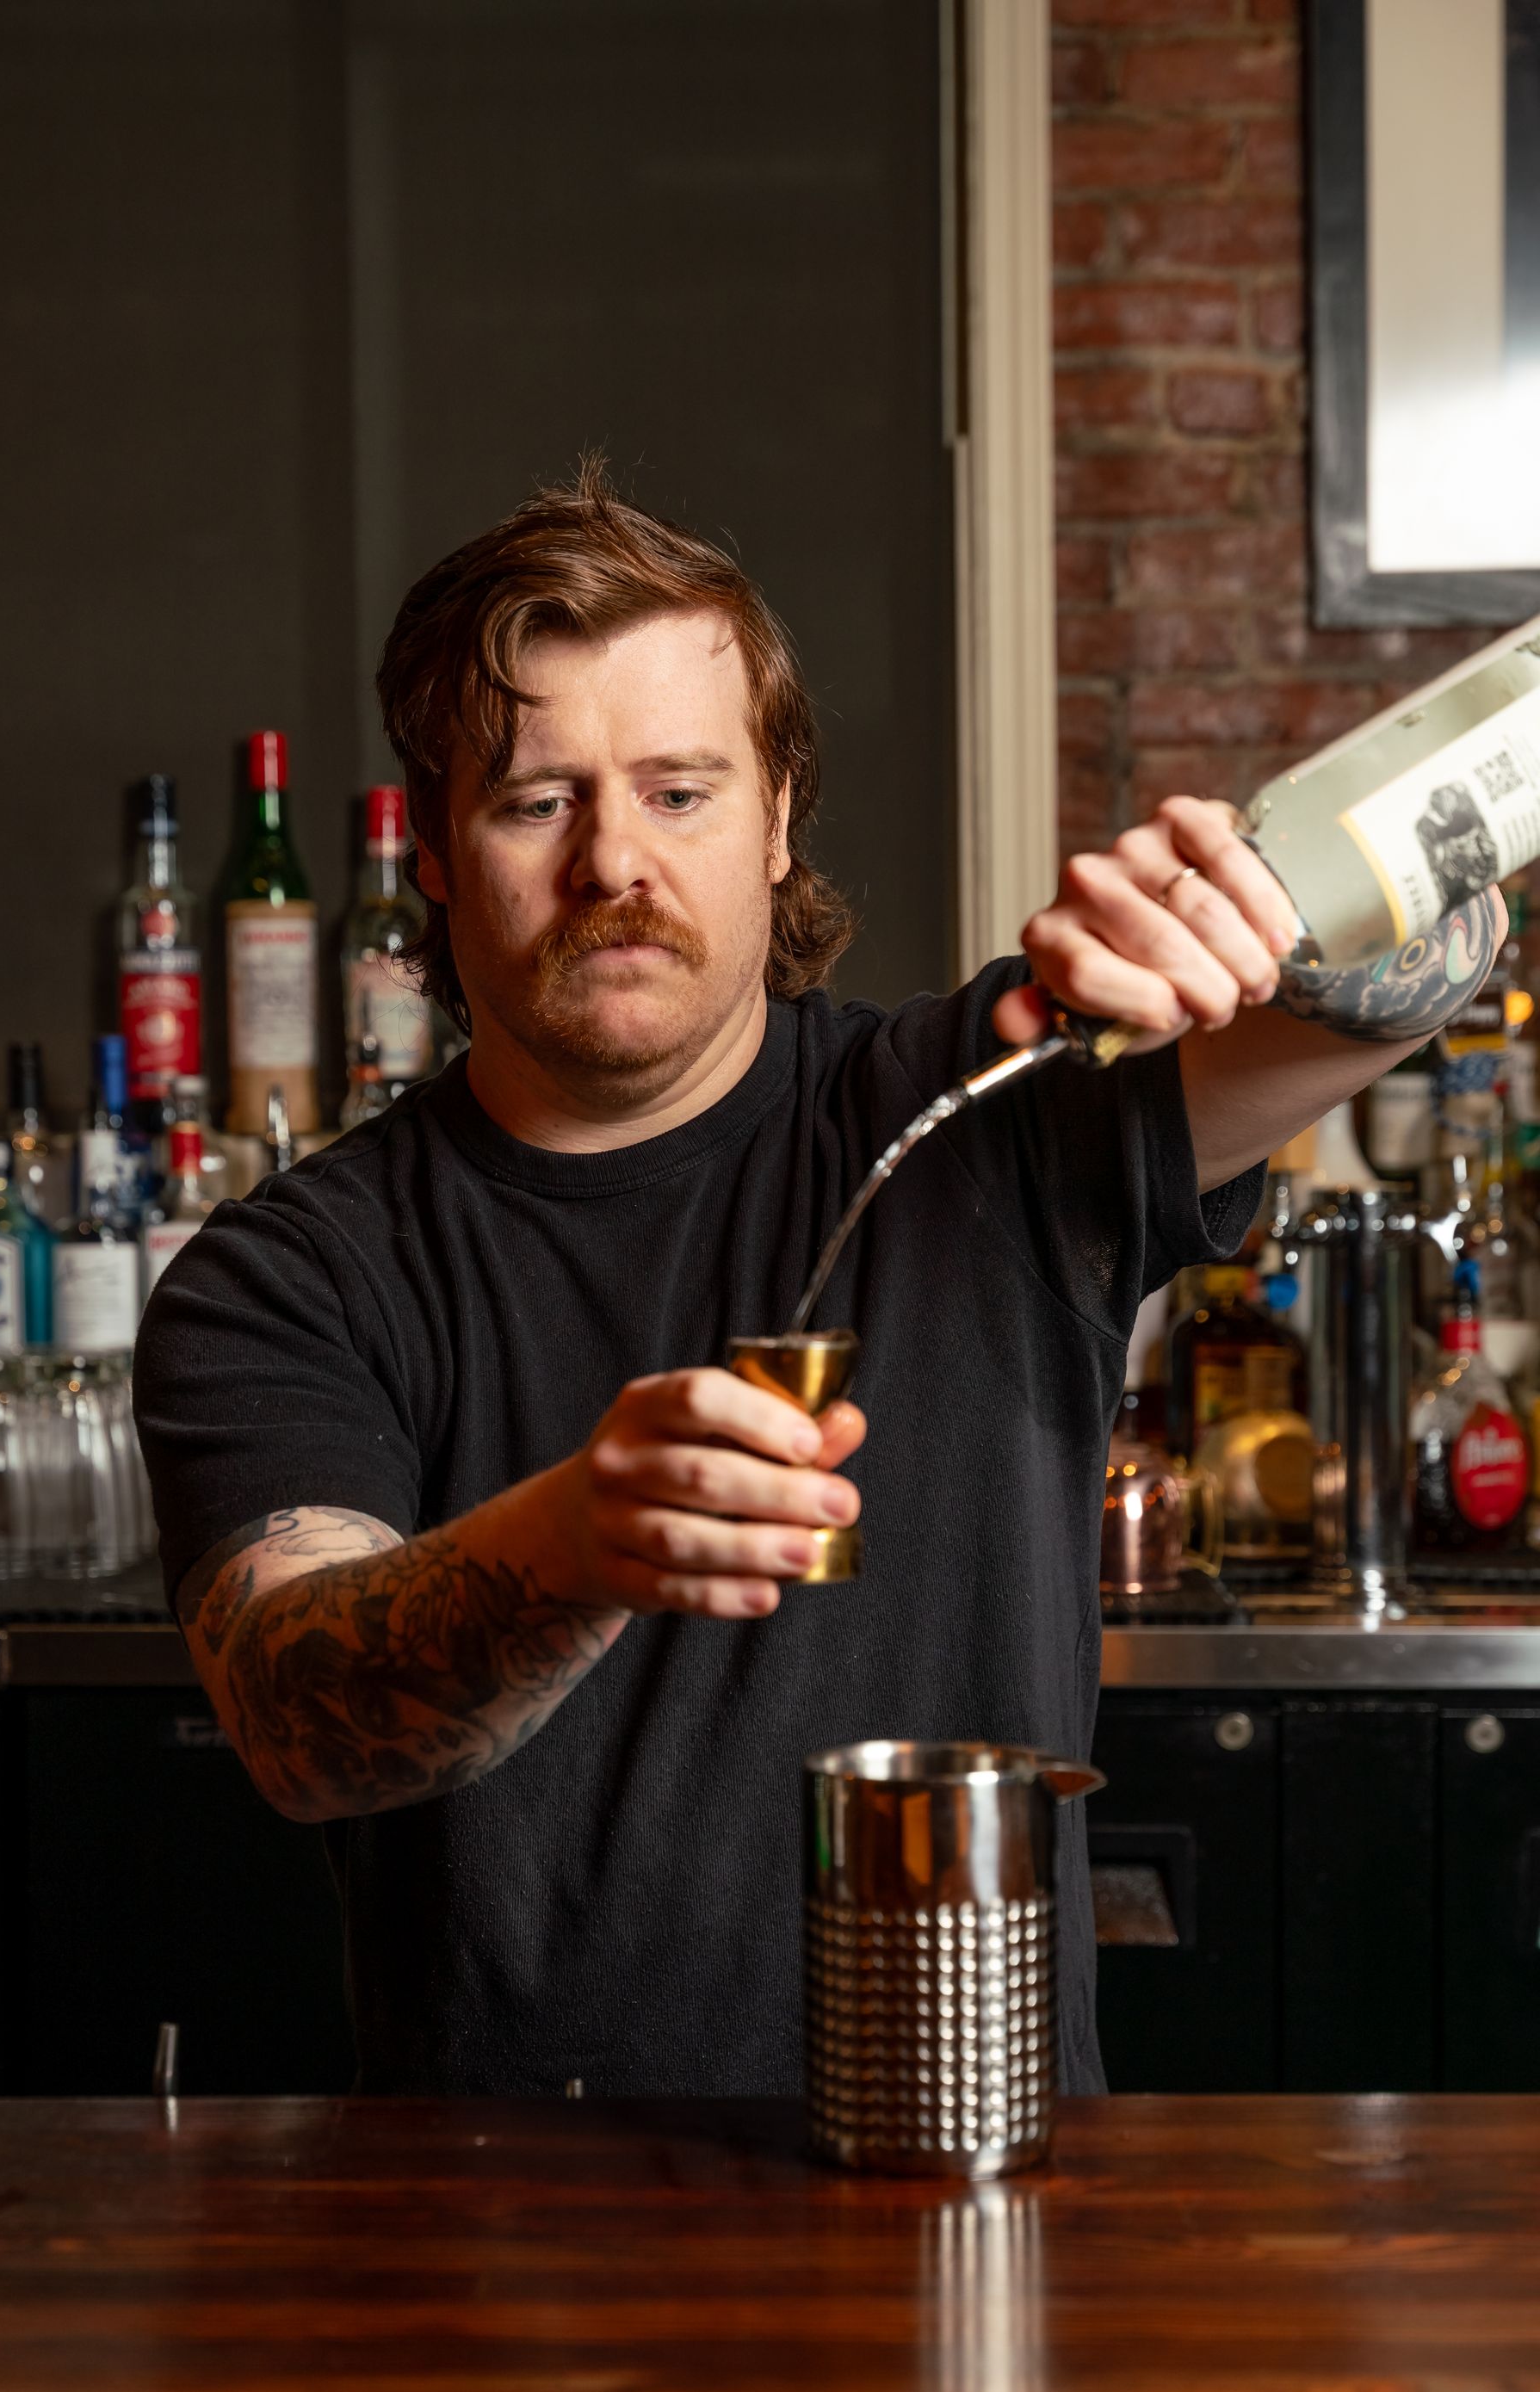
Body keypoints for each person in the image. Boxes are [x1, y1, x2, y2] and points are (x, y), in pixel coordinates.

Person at [134, 466, 1500, 2098]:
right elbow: (298, 1721)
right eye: (535, 800)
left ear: (779, 820)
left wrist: (1271, 916)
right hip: (498, 2247)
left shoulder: (989, 1113)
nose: (614, 865)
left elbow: (1416, 981)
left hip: (964, 2178)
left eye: (681, 792)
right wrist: (570, 1541)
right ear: (429, 851)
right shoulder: (292, 1276)